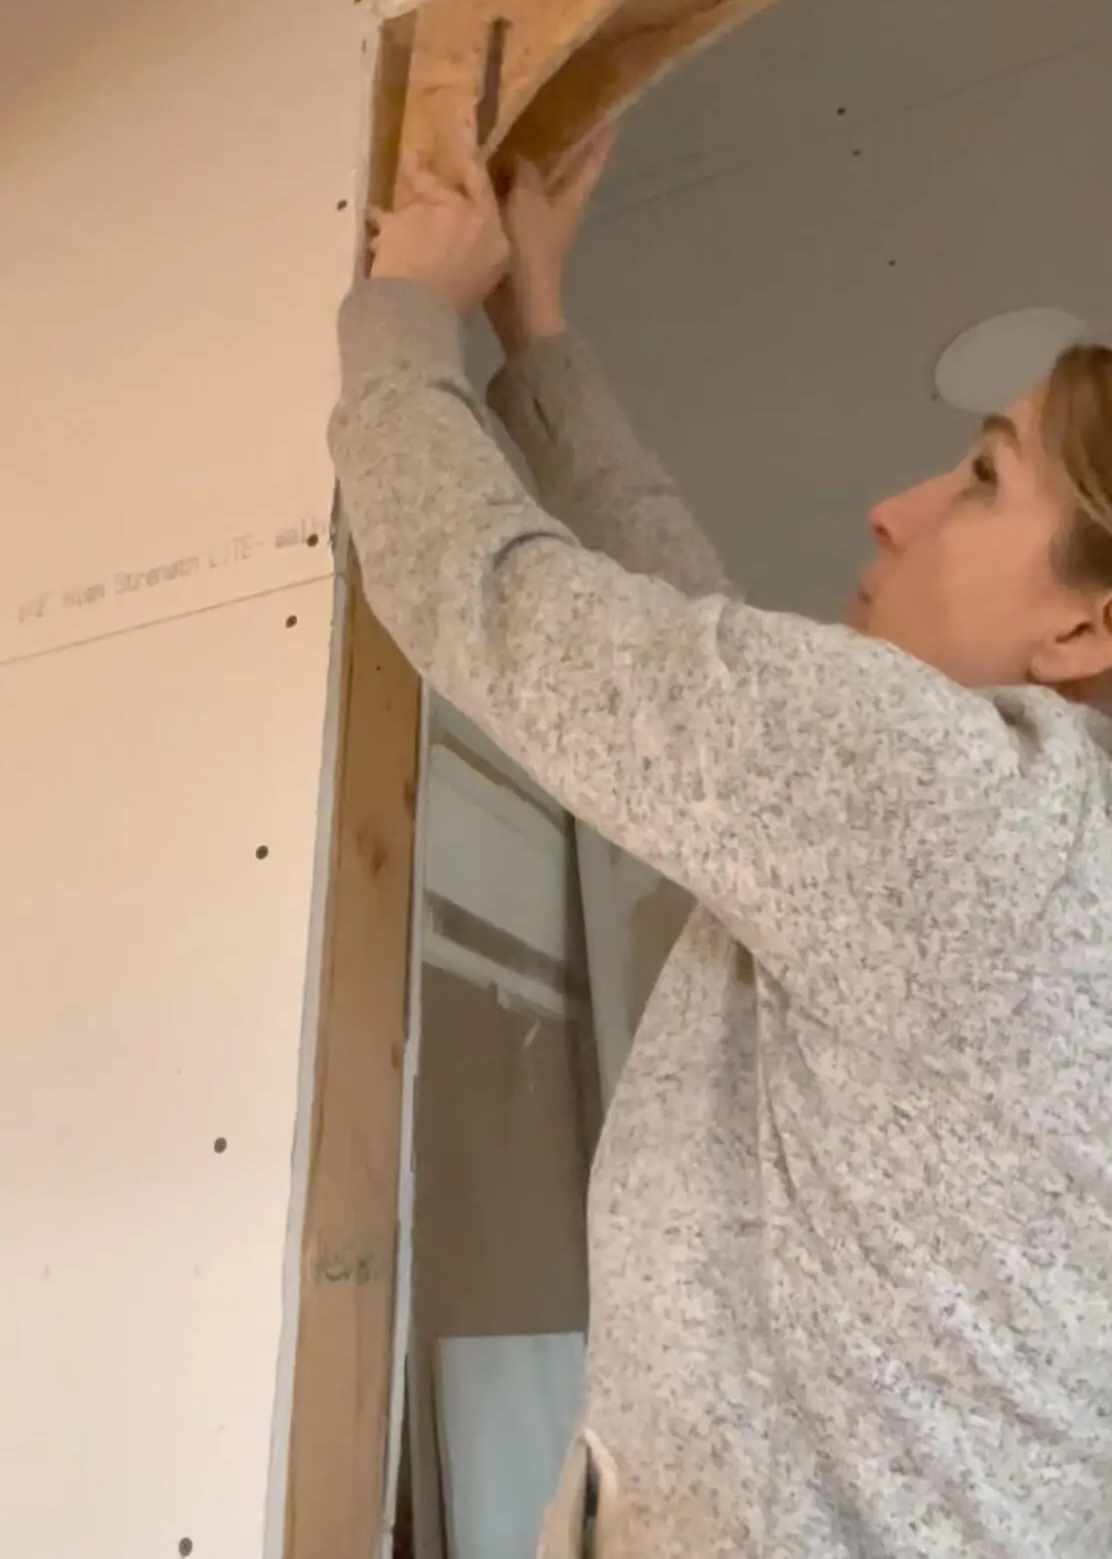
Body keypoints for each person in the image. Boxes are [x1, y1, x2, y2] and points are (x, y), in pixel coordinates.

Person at [328, 131, 1112, 1559]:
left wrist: (403, 316)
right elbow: (705, 671)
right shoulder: (1040, 843)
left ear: (1086, 628)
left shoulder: (951, 807)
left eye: (985, 480)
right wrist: (540, 339)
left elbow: (487, 598)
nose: (898, 506)